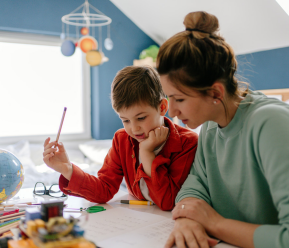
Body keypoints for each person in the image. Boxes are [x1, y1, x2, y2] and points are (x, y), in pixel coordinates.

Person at [157, 11, 289, 248]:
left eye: (179, 99)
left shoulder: (272, 123)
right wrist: (188, 218)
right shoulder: (210, 125)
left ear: (216, 94)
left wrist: (214, 223)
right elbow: (196, 182)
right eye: (169, 97)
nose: (172, 111)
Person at [42, 66, 198, 211]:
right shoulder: (122, 139)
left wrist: (147, 153)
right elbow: (104, 190)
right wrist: (67, 169)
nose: (134, 128)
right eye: (125, 120)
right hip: (137, 220)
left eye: (141, 118)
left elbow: (167, 202)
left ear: (162, 107)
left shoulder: (187, 142)